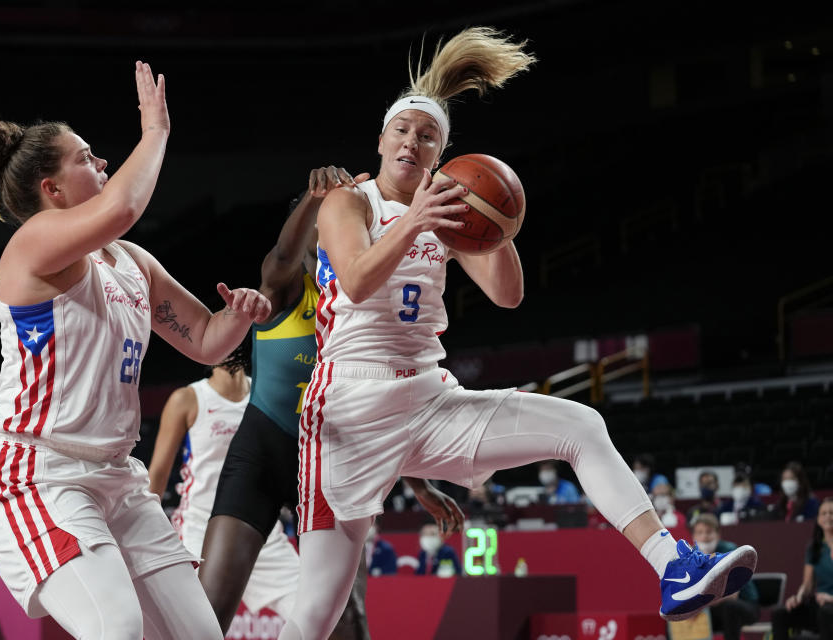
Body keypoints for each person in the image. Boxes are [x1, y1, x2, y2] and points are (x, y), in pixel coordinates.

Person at [277, 27, 758, 640]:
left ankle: (673, 566)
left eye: (428, 136)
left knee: (581, 425)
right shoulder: (350, 203)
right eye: (402, 130)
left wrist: (499, 220)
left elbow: (508, 296)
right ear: (381, 139)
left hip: (427, 398)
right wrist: (417, 220)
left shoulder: (448, 213)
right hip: (349, 405)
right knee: (317, 613)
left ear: (440, 155)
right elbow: (357, 277)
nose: (411, 141)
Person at [0, 62, 270, 639]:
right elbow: (122, 208)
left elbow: (205, 342)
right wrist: (154, 132)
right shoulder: (30, 245)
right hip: (39, 472)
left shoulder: (131, 261)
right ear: (51, 190)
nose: (101, 162)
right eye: (85, 157)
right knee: (117, 629)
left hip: (117, 479)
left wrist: (240, 315)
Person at [197, 166, 464, 638]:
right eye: (325, 227)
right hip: (264, 451)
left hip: (331, 460)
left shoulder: (367, 306)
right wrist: (317, 199)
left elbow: (389, 397)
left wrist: (418, 483)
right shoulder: (285, 289)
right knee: (206, 610)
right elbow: (282, 254)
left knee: (346, 622)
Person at [146, 350, 302, 626]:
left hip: (261, 533)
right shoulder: (188, 399)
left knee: (315, 614)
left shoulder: (265, 392)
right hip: (198, 534)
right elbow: (157, 474)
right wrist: (145, 539)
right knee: (196, 628)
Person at [771, 496, 833, 640]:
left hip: (829, 608)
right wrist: (798, 597)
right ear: (818, 519)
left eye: (832, 512)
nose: (828, 516)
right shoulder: (814, 548)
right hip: (820, 606)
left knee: (826, 612)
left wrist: (831, 598)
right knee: (780, 613)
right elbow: (807, 584)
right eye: (824, 513)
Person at [691, 514, 759, 640]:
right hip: (714, 609)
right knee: (676, 616)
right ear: (693, 537)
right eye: (699, 533)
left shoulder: (730, 552)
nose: (704, 537)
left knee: (729, 607)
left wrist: (701, 606)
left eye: (709, 532)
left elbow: (732, 595)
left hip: (745, 607)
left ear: (717, 535)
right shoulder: (692, 558)